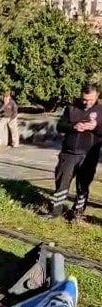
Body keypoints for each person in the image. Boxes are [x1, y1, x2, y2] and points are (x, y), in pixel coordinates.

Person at [51, 82, 102, 221]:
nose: (87, 103)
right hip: (69, 153)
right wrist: (74, 126)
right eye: (84, 99)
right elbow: (60, 126)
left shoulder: (100, 110)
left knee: (83, 185)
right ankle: (55, 212)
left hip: (89, 155)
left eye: (90, 100)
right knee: (61, 183)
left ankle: (77, 213)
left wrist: (96, 127)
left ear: (97, 96)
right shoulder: (71, 108)